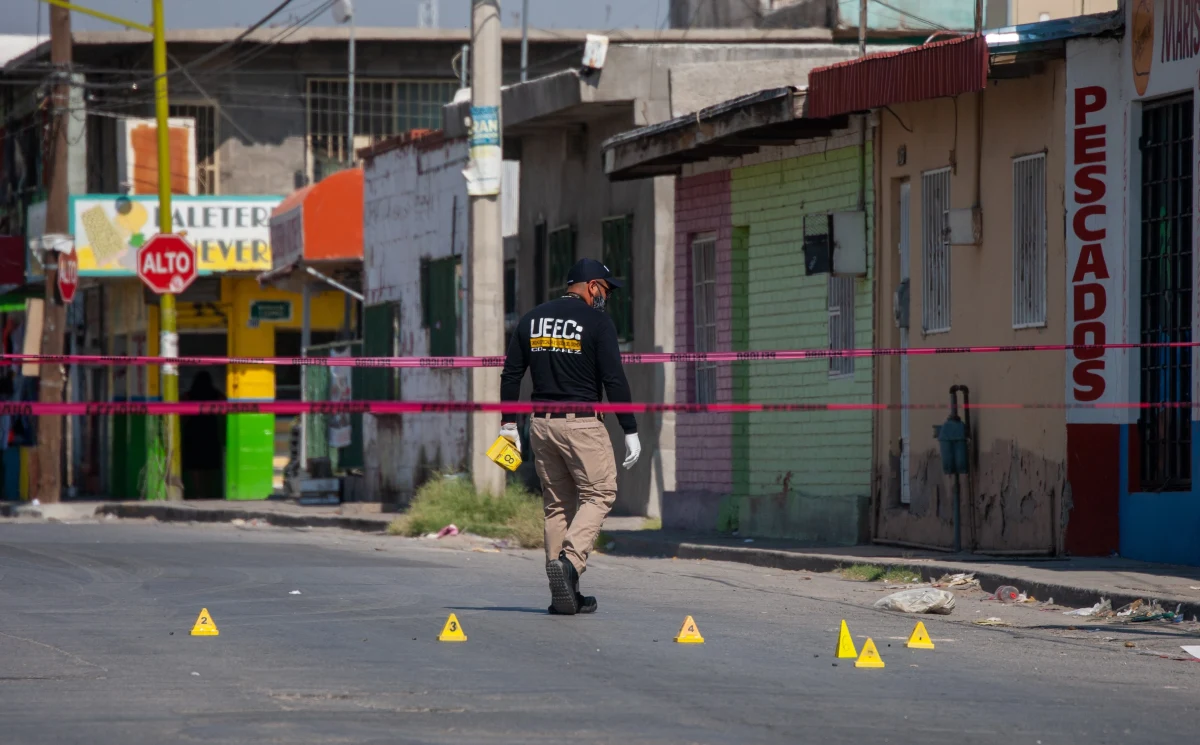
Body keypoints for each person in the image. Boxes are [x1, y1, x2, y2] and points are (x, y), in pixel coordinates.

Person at [499, 258, 641, 616]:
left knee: (557, 504)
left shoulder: (531, 319)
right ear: (592, 286)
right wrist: (630, 428)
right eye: (605, 290)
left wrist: (507, 425)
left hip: (541, 426)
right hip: (582, 424)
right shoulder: (597, 321)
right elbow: (614, 379)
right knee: (600, 491)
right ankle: (569, 562)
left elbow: (511, 374)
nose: (606, 298)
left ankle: (564, 592)